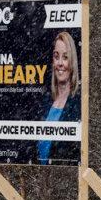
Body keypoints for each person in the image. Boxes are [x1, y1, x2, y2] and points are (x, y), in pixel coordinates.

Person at [37, 31, 81, 164]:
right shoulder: (45, 102)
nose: (60, 63)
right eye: (56, 57)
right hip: (39, 179)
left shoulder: (78, 105)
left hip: (61, 179)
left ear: (72, 62)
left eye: (65, 57)